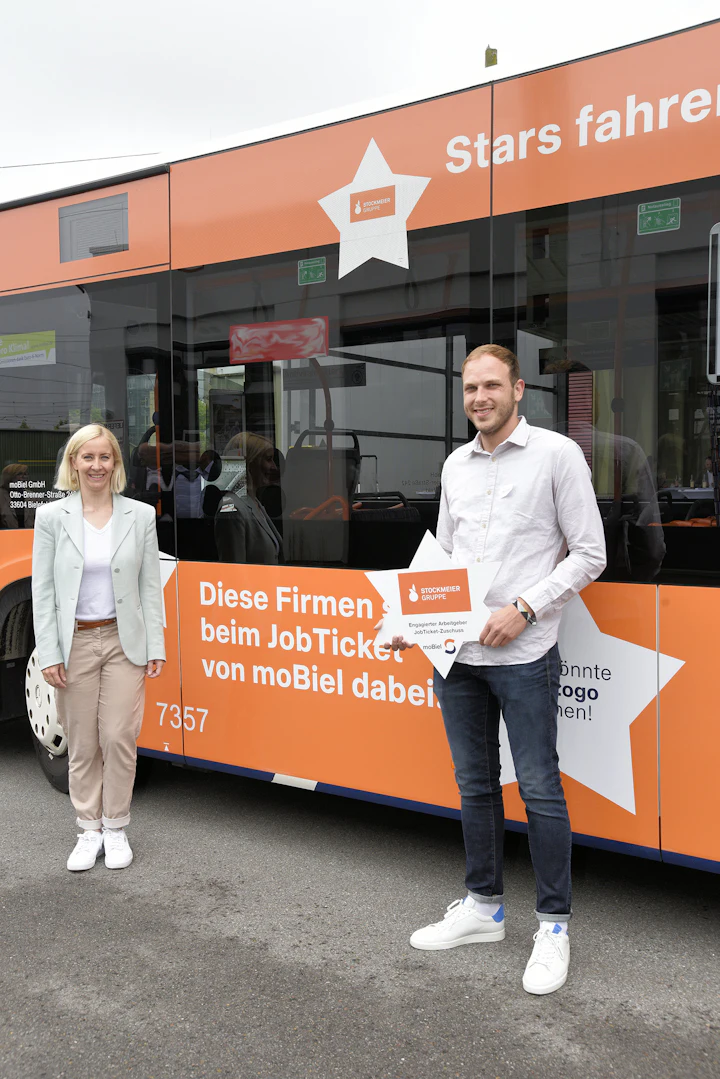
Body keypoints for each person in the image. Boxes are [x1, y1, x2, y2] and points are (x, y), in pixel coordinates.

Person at [387, 344, 606, 996]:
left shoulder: (557, 456)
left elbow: (590, 553)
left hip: (524, 655)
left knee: (539, 787)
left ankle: (553, 926)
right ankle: (483, 906)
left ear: (517, 389)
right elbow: (445, 563)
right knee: (475, 783)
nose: (479, 397)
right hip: (457, 658)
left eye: (490, 385)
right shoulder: (456, 463)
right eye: (469, 387)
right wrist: (409, 623)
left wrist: (525, 606)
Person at [31, 423, 165, 872]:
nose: (96, 465)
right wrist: (48, 652)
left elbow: (150, 587)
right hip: (75, 643)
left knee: (119, 736)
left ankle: (116, 826)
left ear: (116, 464)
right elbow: (43, 591)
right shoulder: (51, 518)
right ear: (73, 463)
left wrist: (156, 645)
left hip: (124, 641)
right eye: (87, 457)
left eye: (104, 457)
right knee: (84, 743)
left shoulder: (140, 515)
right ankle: (88, 830)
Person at [214, 431, 283, 564]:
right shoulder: (232, 509)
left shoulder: (253, 502)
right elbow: (234, 571)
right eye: (268, 459)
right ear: (250, 463)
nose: (274, 467)